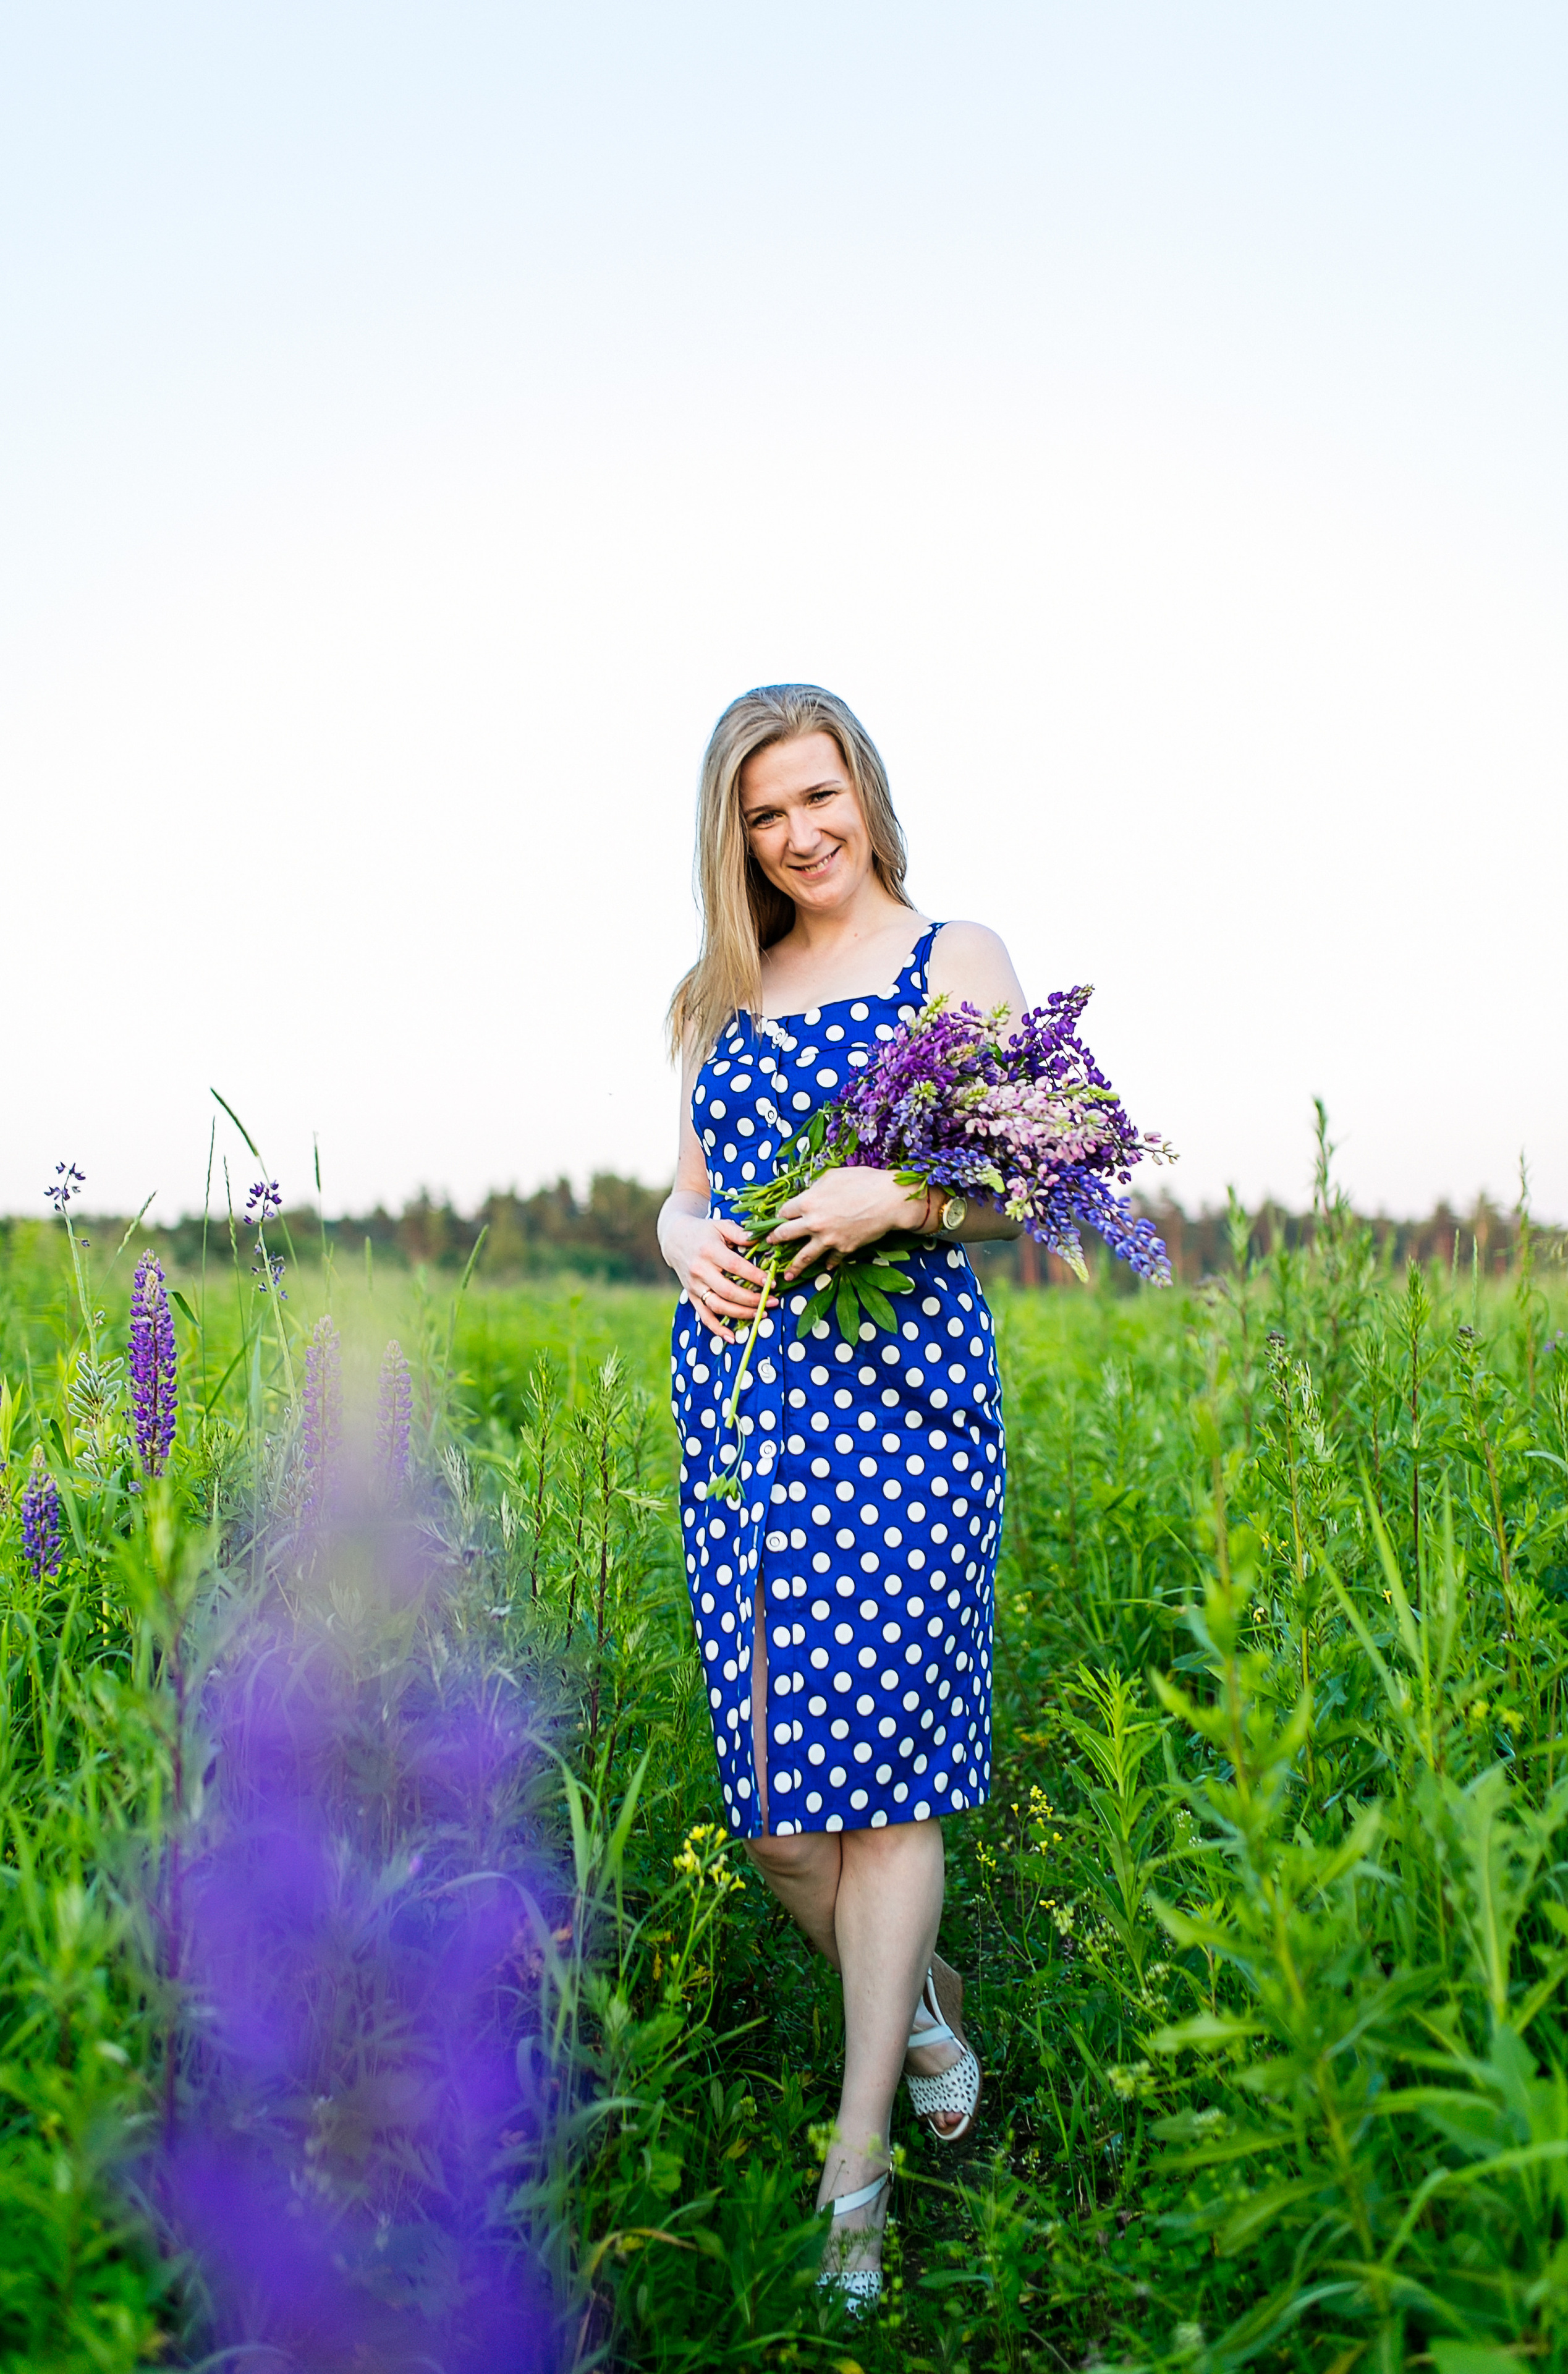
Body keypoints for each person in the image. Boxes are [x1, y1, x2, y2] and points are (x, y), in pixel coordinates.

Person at [657, 684, 1025, 2304]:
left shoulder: (956, 958)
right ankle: (928, 2012)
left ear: (865, 793)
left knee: (887, 1798)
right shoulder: (715, 997)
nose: (799, 835)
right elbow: (683, 1196)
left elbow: (1041, 1166)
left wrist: (912, 1196)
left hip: (907, 1412)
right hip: (741, 1414)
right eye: (763, 815)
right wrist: (677, 1238)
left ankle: (858, 2170)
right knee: (778, 1826)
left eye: (820, 799)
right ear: (731, 837)